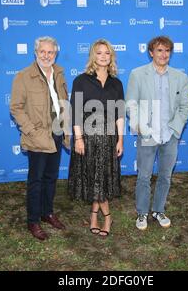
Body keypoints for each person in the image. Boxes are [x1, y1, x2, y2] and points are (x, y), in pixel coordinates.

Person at [126, 36, 188, 231]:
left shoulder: (181, 77)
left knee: (165, 176)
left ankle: (159, 209)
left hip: (170, 135)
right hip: (147, 134)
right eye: (159, 50)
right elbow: (131, 103)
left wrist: (175, 129)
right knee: (144, 176)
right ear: (151, 52)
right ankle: (142, 212)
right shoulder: (138, 75)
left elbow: (186, 106)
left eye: (167, 51)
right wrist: (142, 127)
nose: (163, 54)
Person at [10, 36, 70, 241]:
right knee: (36, 180)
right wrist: (30, 131)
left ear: (56, 54)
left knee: (51, 177)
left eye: (50, 52)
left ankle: (47, 212)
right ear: (35, 53)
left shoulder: (60, 73)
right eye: (42, 52)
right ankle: (33, 220)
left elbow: (64, 101)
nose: (46, 55)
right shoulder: (24, 76)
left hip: (57, 132)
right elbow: (16, 107)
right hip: (37, 136)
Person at [68, 39, 125, 237]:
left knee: (102, 178)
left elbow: (119, 114)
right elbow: (75, 112)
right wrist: (78, 138)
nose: (103, 56)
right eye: (99, 52)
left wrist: (120, 140)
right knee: (93, 176)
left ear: (111, 57)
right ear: (93, 55)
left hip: (109, 138)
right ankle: (106, 216)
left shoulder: (116, 83)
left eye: (107, 53)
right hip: (88, 138)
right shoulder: (81, 80)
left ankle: (95, 214)